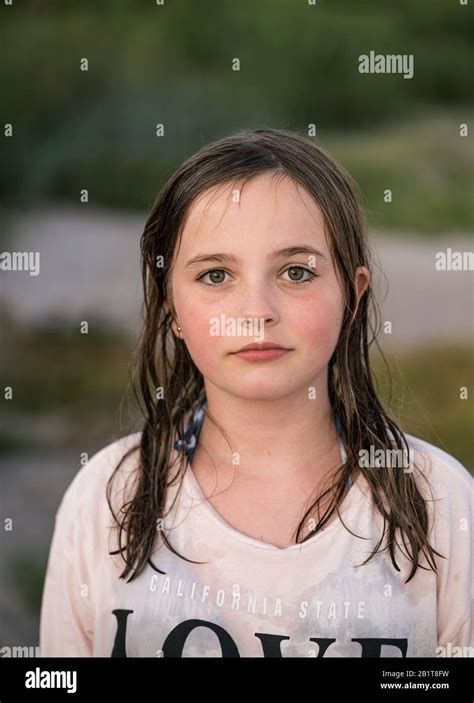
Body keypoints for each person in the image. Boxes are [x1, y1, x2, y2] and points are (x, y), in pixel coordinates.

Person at [39, 129, 473, 657]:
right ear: (172, 308)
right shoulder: (107, 496)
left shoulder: (442, 503)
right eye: (216, 275)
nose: (256, 311)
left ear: (352, 297)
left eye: (296, 272)